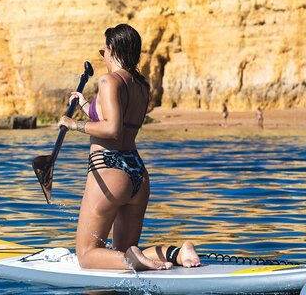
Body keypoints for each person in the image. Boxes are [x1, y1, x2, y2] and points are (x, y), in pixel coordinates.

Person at [59, 24, 201, 271]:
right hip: (136, 173)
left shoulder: (108, 81)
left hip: (108, 169)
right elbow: (116, 118)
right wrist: (84, 104)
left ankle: (134, 259)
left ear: (113, 49)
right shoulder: (141, 85)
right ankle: (178, 253)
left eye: (103, 51)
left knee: (87, 255)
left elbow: (112, 128)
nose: (102, 56)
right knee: (122, 252)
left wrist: (74, 125)